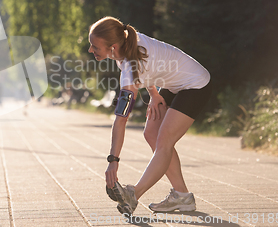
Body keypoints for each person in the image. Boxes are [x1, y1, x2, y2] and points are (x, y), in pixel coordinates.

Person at [88, 16, 212, 216]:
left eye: (94, 46)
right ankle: (182, 196)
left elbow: (121, 120)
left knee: (164, 141)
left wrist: (113, 161)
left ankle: (133, 194)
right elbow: (152, 65)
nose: (90, 50)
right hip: (173, 83)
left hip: (195, 85)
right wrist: (154, 93)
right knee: (151, 134)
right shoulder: (127, 42)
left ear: (112, 47)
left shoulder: (129, 67)